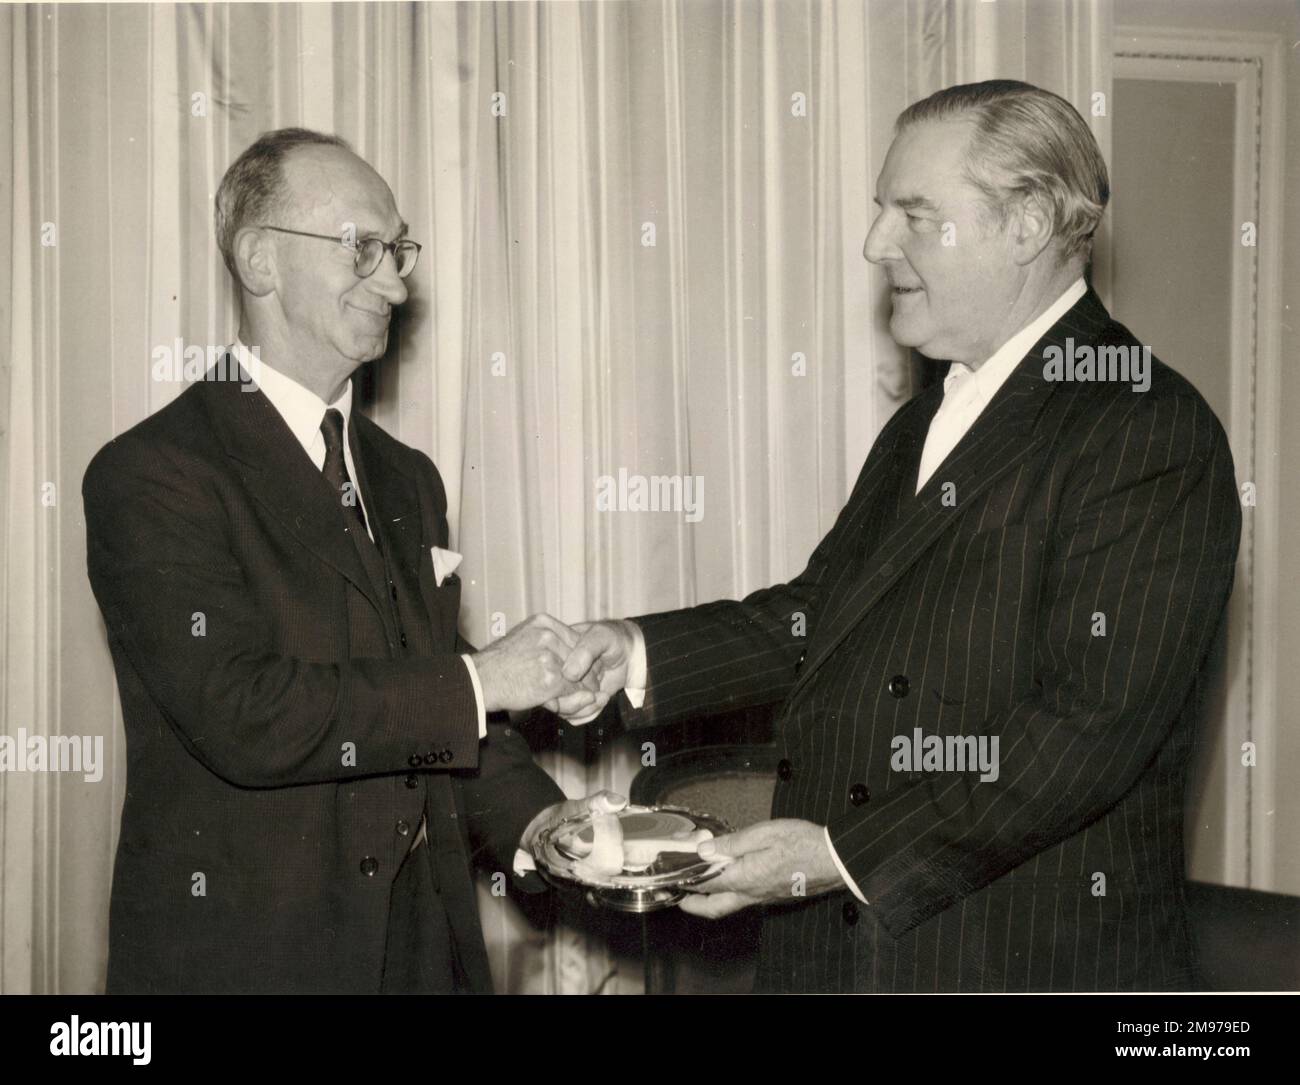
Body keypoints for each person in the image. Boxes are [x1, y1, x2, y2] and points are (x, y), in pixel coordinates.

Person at [561, 80, 1243, 992]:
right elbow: (818, 618)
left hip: (1006, 962)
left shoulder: (1146, 426)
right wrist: (634, 651)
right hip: (844, 956)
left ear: (1029, 221)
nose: (875, 243)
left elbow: (1085, 734)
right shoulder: (924, 422)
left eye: (913, 213)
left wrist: (838, 854)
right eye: (882, 209)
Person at [82, 128, 613, 994]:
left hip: (423, 954)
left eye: (397, 250)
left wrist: (544, 821)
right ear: (260, 260)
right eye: (364, 248)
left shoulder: (407, 476)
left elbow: (431, 712)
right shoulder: (153, 473)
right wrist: (483, 682)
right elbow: (243, 710)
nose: (399, 281)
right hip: (253, 962)